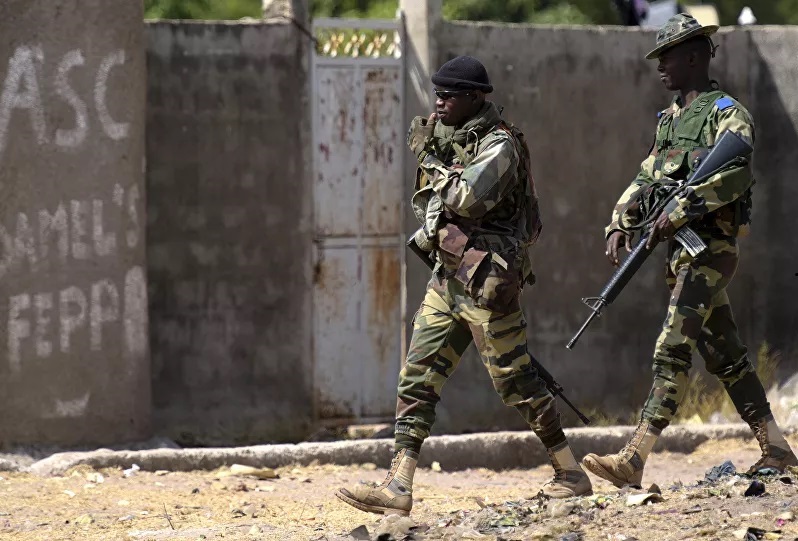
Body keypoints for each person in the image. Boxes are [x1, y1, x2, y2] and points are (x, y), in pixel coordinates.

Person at [335, 55, 592, 517]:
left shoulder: (500, 145)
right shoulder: (453, 138)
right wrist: (434, 152)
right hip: (448, 278)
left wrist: (427, 157)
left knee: (516, 383)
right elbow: (428, 203)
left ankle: (570, 473)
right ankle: (398, 484)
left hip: (488, 283)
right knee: (417, 376)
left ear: (475, 98)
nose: (439, 104)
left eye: (449, 96)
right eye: (437, 95)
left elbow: (464, 198)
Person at [582, 13, 797, 489]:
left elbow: (736, 174)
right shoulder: (670, 121)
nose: (661, 66)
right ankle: (778, 449)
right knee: (726, 355)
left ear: (696, 57)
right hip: (681, 254)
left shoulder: (728, 113)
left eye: (669, 57)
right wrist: (620, 221)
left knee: (672, 346)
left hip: (710, 251)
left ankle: (634, 458)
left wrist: (681, 209)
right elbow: (646, 177)